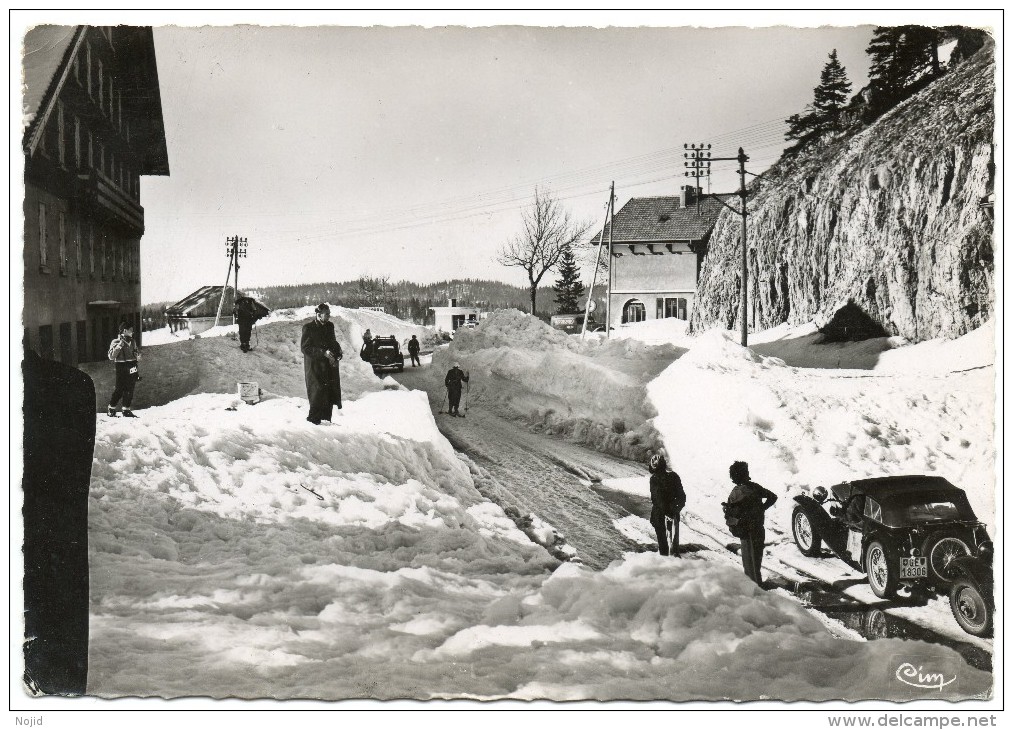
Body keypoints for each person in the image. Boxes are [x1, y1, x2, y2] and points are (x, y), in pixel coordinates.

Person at [725, 461, 778, 586]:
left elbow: (731, 513)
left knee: (749, 564)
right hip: (758, 529)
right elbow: (773, 496)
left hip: (746, 532)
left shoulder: (736, 492)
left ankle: (755, 591)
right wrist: (762, 509)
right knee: (756, 563)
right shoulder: (755, 487)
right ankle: (757, 587)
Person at [301, 303, 343, 424]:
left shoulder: (330, 326)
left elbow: (333, 342)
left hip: (328, 368)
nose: (329, 316)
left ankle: (326, 424)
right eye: (327, 314)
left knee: (329, 396)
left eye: (329, 313)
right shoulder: (308, 328)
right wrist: (323, 352)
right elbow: (305, 348)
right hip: (315, 369)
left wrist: (338, 352)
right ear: (319, 315)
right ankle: (313, 425)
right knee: (317, 397)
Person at [649, 452, 686, 556]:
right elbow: (682, 497)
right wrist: (674, 510)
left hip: (660, 515)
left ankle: (666, 564)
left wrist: (666, 512)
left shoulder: (654, 479)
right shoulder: (674, 476)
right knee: (674, 546)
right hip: (673, 514)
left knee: (664, 546)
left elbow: (657, 499)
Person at [107, 321, 141, 417]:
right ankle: (111, 408)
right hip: (121, 367)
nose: (132, 332)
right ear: (125, 330)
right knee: (119, 389)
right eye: (131, 330)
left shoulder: (133, 341)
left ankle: (126, 409)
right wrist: (119, 346)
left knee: (130, 388)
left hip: (132, 365)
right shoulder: (115, 342)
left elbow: (136, 353)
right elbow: (111, 356)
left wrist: (137, 355)